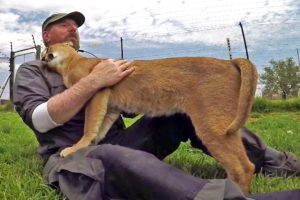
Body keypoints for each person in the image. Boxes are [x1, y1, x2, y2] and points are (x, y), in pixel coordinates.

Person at [13, 11, 300, 200]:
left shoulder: (94, 63)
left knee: (189, 111)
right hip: (72, 156)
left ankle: (281, 162)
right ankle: (222, 196)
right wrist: (94, 82)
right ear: (47, 38)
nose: (73, 29)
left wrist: (144, 86)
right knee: (116, 158)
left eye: (76, 26)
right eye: (64, 25)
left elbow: (123, 107)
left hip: (120, 139)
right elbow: (39, 119)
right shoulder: (32, 72)